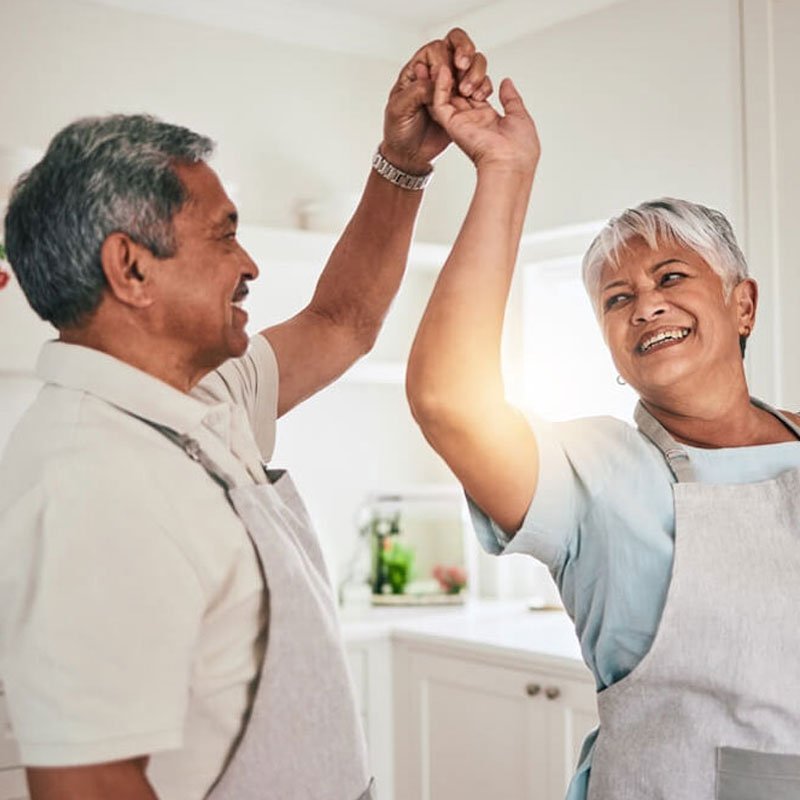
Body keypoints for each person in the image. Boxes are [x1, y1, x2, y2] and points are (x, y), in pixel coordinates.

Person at [0, 29, 492, 800]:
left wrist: (405, 162)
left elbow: (343, 321)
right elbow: (88, 783)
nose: (250, 264)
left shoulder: (199, 396)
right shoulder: (89, 481)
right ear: (130, 268)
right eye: (225, 235)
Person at [406, 64, 800, 799]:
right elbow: (446, 400)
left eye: (671, 278)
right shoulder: (591, 471)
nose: (645, 305)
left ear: (742, 305)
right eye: (618, 298)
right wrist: (505, 170)